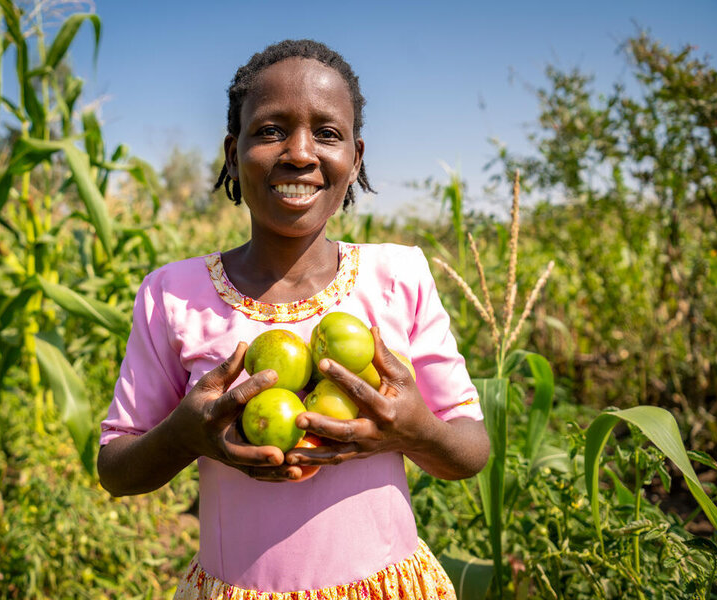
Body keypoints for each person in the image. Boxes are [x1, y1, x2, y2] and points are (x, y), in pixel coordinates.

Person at [97, 39, 490, 599]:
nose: (300, 153)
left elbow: (470, 448)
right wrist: (188, 435)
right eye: (270, 130)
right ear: (233, 153)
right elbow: (116, 468)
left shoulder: (398, 276)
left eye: (327, 134)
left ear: (355, 158)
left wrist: (409, 430)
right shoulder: (173, 295)